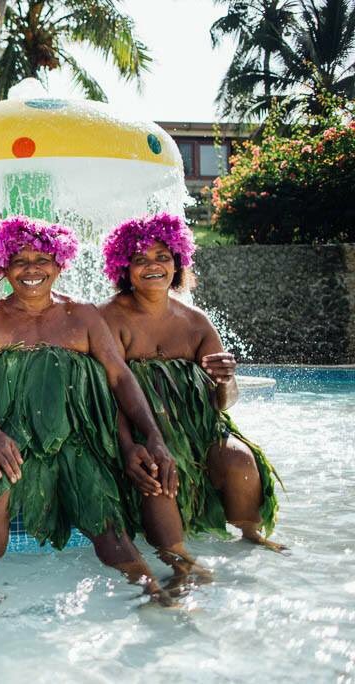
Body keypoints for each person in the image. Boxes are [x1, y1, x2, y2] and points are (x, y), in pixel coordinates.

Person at [0, 216, 176, 603]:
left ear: (59, 264)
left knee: (102, 506)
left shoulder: (83, 315)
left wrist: (152, 436)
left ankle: (151, 590)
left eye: (42, 260)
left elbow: (119, 377)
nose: (31, 269)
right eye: (19, 261)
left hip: (76, 440)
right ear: (3, 266)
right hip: (7, 435)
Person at [98, 213, 281, 574]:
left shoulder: (195, 322)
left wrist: (225, 380)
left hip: (199, 431)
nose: (153, 266)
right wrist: (127, 445)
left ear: (177, 263)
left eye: (163, 257)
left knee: (240, 460)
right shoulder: (108, 319)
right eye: (140, 259)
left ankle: (250, 536)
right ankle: (176, 559)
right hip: (136, 431)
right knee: (157, 469)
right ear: (124, 268)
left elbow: (224, 402)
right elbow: (106, 392)